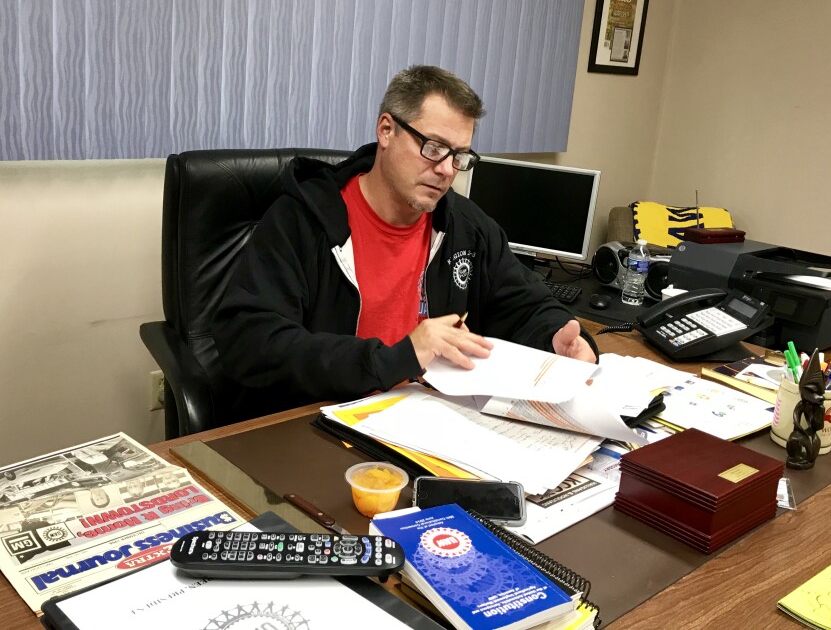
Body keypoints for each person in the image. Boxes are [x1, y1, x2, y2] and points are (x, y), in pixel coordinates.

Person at [213, 65, 598, 420]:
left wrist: (559, 339)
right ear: (386, 131)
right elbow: (251, 340)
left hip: (429, 419)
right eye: (433, 148)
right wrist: (398, 358)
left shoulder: (466, 227)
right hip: (318, 418)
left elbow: (525, 305)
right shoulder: (301, 220)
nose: (447, 169)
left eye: (459, 156)